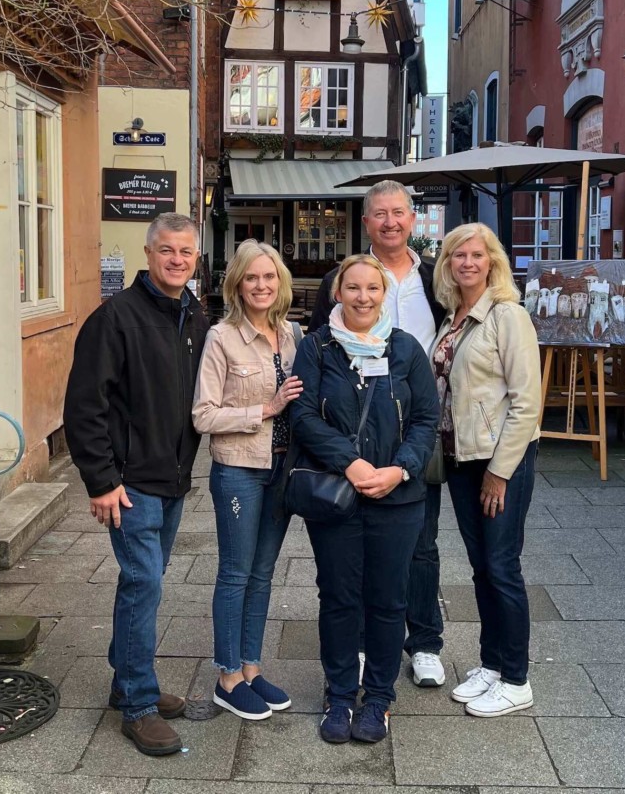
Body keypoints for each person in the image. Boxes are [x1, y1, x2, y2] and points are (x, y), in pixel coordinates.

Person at [63, 213, 208, 757]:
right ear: (148, 254)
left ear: (196, 259)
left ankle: (127, 679)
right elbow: (84, 407)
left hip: (172, 479)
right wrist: (101, 481)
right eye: (166, 250)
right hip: (129, 483)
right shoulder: (115, 318)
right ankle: (139, 706)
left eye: (186, 253)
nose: (176, 260)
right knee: (144, 583)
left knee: (146, 581)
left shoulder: (194, 315)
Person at [291, 254, 438, 744]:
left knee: (387, 600)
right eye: (352, 288)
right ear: (338, 293)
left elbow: (425, 420)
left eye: (372, 289)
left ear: (384, 294)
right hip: (338, 496)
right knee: (337, 597)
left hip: (399, 498)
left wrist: (400, 469)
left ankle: (378, 698)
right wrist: (350, 463)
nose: (362, 297)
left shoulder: (407, 350)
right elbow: (305, 416)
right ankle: (338, 694)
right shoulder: (315, 350)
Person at [308, 180, 448, 690]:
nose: (390, 221)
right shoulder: (342, 278)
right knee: (358, 553)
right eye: (379, 214)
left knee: (422, 543)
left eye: (399, 213)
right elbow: (321, 357)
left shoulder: (437, 277)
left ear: (413, 219)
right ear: (366, 223)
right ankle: (365, 643)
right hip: (355, 435)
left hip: (416, 427)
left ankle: (425, 641)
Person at [431, 223, 541, 717]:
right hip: (461, 459)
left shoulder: (508, 315)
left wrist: (500, 472)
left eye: (477, 255)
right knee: (481, 569)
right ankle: (493, 665)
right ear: (448, 263)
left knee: (502, 566)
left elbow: (527, 404)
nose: (468, 263)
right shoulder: (455, 316)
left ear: (492, 261)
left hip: (501, 462)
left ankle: (517, 678)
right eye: (459, 255)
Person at [192, 240, 303, 721]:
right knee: (236, 573)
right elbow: (202, 415)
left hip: (282, 469)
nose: (261, 285)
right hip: (239, 468)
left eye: (269, 277)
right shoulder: (222, 337)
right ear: (237, 284)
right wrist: (266, 409)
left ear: (280, 283)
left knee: (262, 574)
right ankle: (226, 677)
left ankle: (252, 669)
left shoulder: (291, 334)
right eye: (251, 278)